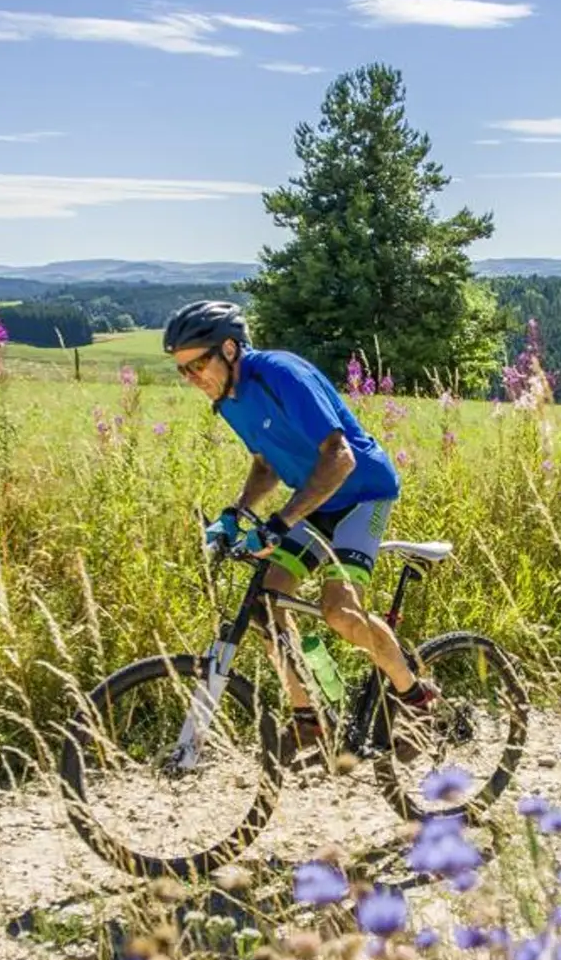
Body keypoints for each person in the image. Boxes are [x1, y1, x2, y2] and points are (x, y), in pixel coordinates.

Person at [163, 300, 435, 760]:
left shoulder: (282, 375)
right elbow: (267, 465)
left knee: (339, 613)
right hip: (315, 500)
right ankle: (312, 717)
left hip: (361, 492)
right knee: (265, 605)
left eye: (198, 364)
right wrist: (236, 511)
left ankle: (417, 698)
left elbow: (340, 457)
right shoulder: (228, 401)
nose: (192, 378)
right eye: (182, 371)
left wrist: (280, 523)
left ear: (229, 349)